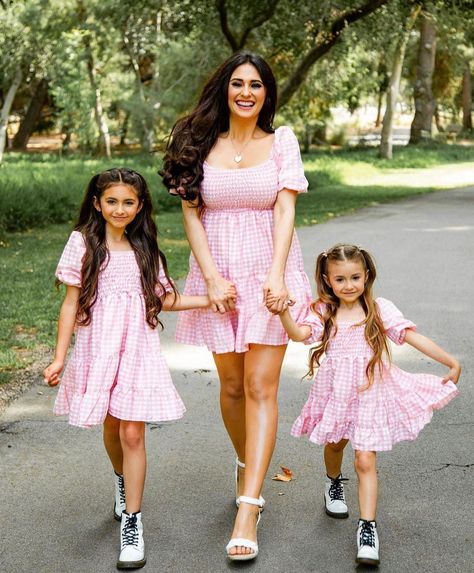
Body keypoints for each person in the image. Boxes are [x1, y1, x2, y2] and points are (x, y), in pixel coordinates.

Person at [161, 51, 312, 560]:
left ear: (267, 93)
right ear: (224, 89)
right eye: (237, 83)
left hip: (270, 269)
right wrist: (210, 277)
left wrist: (276, 274)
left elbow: (286, 207)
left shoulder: (282, 141)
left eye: (256, 85)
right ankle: (248, 463)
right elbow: (192, 215)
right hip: (219, 271)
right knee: (229, 385)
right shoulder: (198, 142)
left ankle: (249, 505)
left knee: (259, 385)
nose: (246, 92)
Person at [43, 168, 210, 570]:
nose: (120, 209)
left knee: (132, 430)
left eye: (129, 202)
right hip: (99, 348)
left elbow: (165, 299)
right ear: (97, 203)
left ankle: (132, 522)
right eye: (112, 201)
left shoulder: (144, 247)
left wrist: (208, 300)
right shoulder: (82, 243)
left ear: (140, 206)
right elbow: (70, 304)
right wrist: (59, 356)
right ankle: (121, 480)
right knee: (111, 425)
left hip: (137, 349)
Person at [268, 243, 460, 566]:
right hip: (337, 392)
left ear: (367, 275)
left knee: (365, 459)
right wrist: (284, 312)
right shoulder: (325, 311)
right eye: (340, 279)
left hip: (371, 391)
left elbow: (412, 336)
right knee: (335, 444)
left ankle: (367, 527)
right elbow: (300, 334)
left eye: (355, 277)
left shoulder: (379, 309)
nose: (349, 285)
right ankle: (332, 483)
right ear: (328, 281)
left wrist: (449, 361)